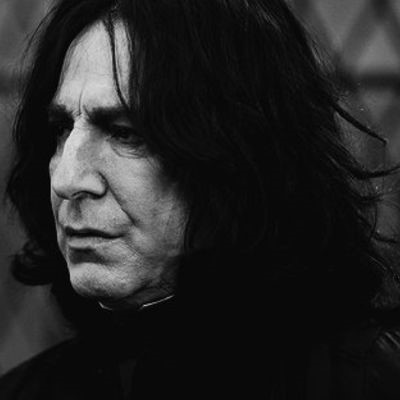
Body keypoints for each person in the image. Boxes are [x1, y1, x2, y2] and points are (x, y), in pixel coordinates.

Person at [1, 0, 400, 398]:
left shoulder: (366, 382)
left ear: (236, 152)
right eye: (60, 129)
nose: (67, 180)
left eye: (124, 132)